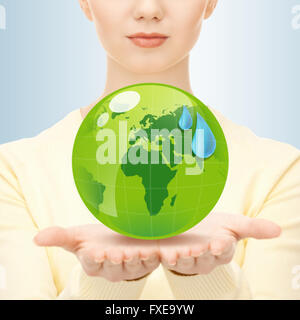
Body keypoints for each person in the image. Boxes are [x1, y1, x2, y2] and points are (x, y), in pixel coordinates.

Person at [0, 0, 299, 300]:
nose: (148, 8)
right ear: (84, 3)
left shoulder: (280, 171)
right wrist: (107, 281)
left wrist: (204, 276)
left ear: (210, 2)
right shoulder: (13, 173)